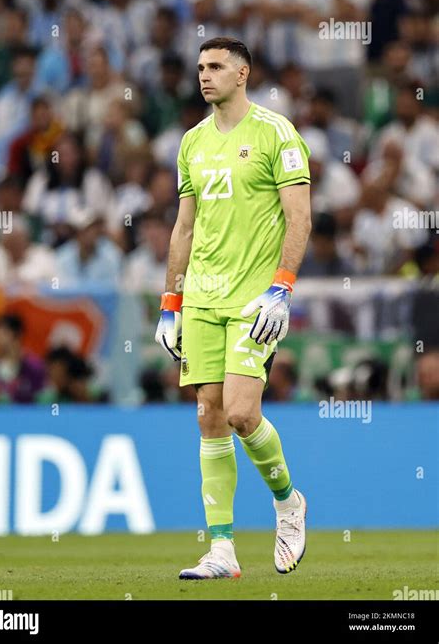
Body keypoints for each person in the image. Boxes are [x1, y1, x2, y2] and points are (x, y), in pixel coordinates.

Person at [155, 37, 312, 579]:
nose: (205, 75)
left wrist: (283, 287)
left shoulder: (276, 133)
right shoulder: (192, 143)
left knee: (243, 413)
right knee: (209, 417)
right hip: (201, 297)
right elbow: (183, 227)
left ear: (242, 74)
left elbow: (300, 218)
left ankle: (289, 502)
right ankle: (221, 550)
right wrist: (170, 302)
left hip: (254, 300)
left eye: (217, 67)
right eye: (199, 67)